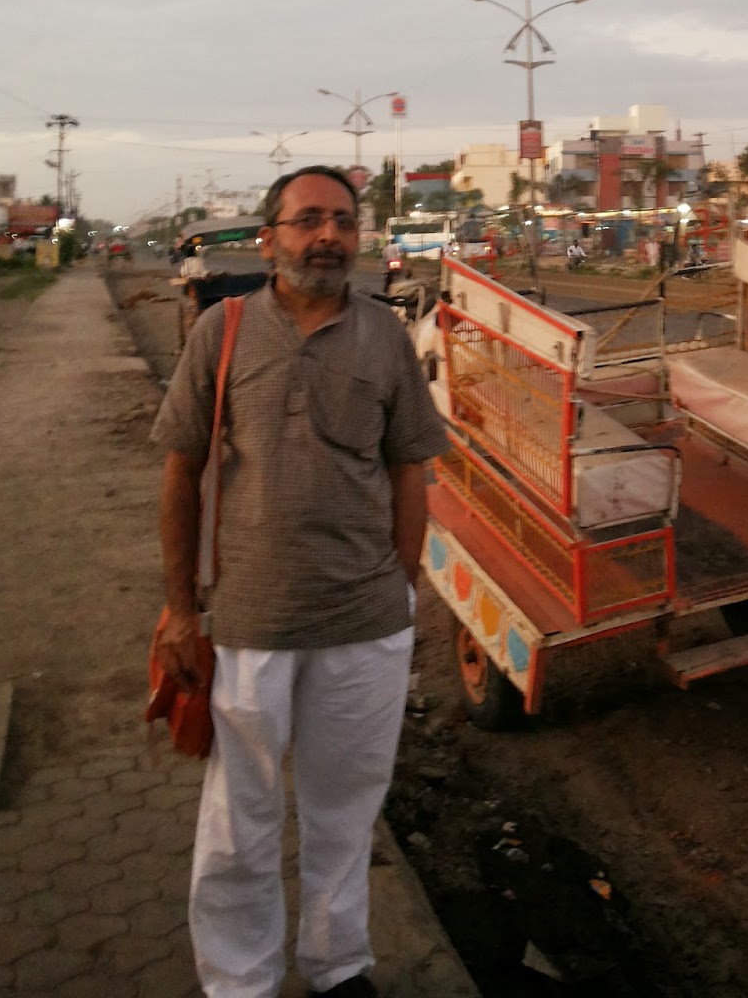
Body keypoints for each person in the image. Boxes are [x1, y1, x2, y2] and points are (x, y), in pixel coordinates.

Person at [151, 165, 447, 998]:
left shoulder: (387, 335)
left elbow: (409, 471)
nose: (328, 236)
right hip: (251, 621)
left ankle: (337, 963)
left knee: (346, 811)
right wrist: (181, 610)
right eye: (308, 220)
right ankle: (238, 980)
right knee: (238, 823)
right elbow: (180, 473)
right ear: (270, 234)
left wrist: (402, 591)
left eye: (344, 221)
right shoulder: (225, 329)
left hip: (363, 624)